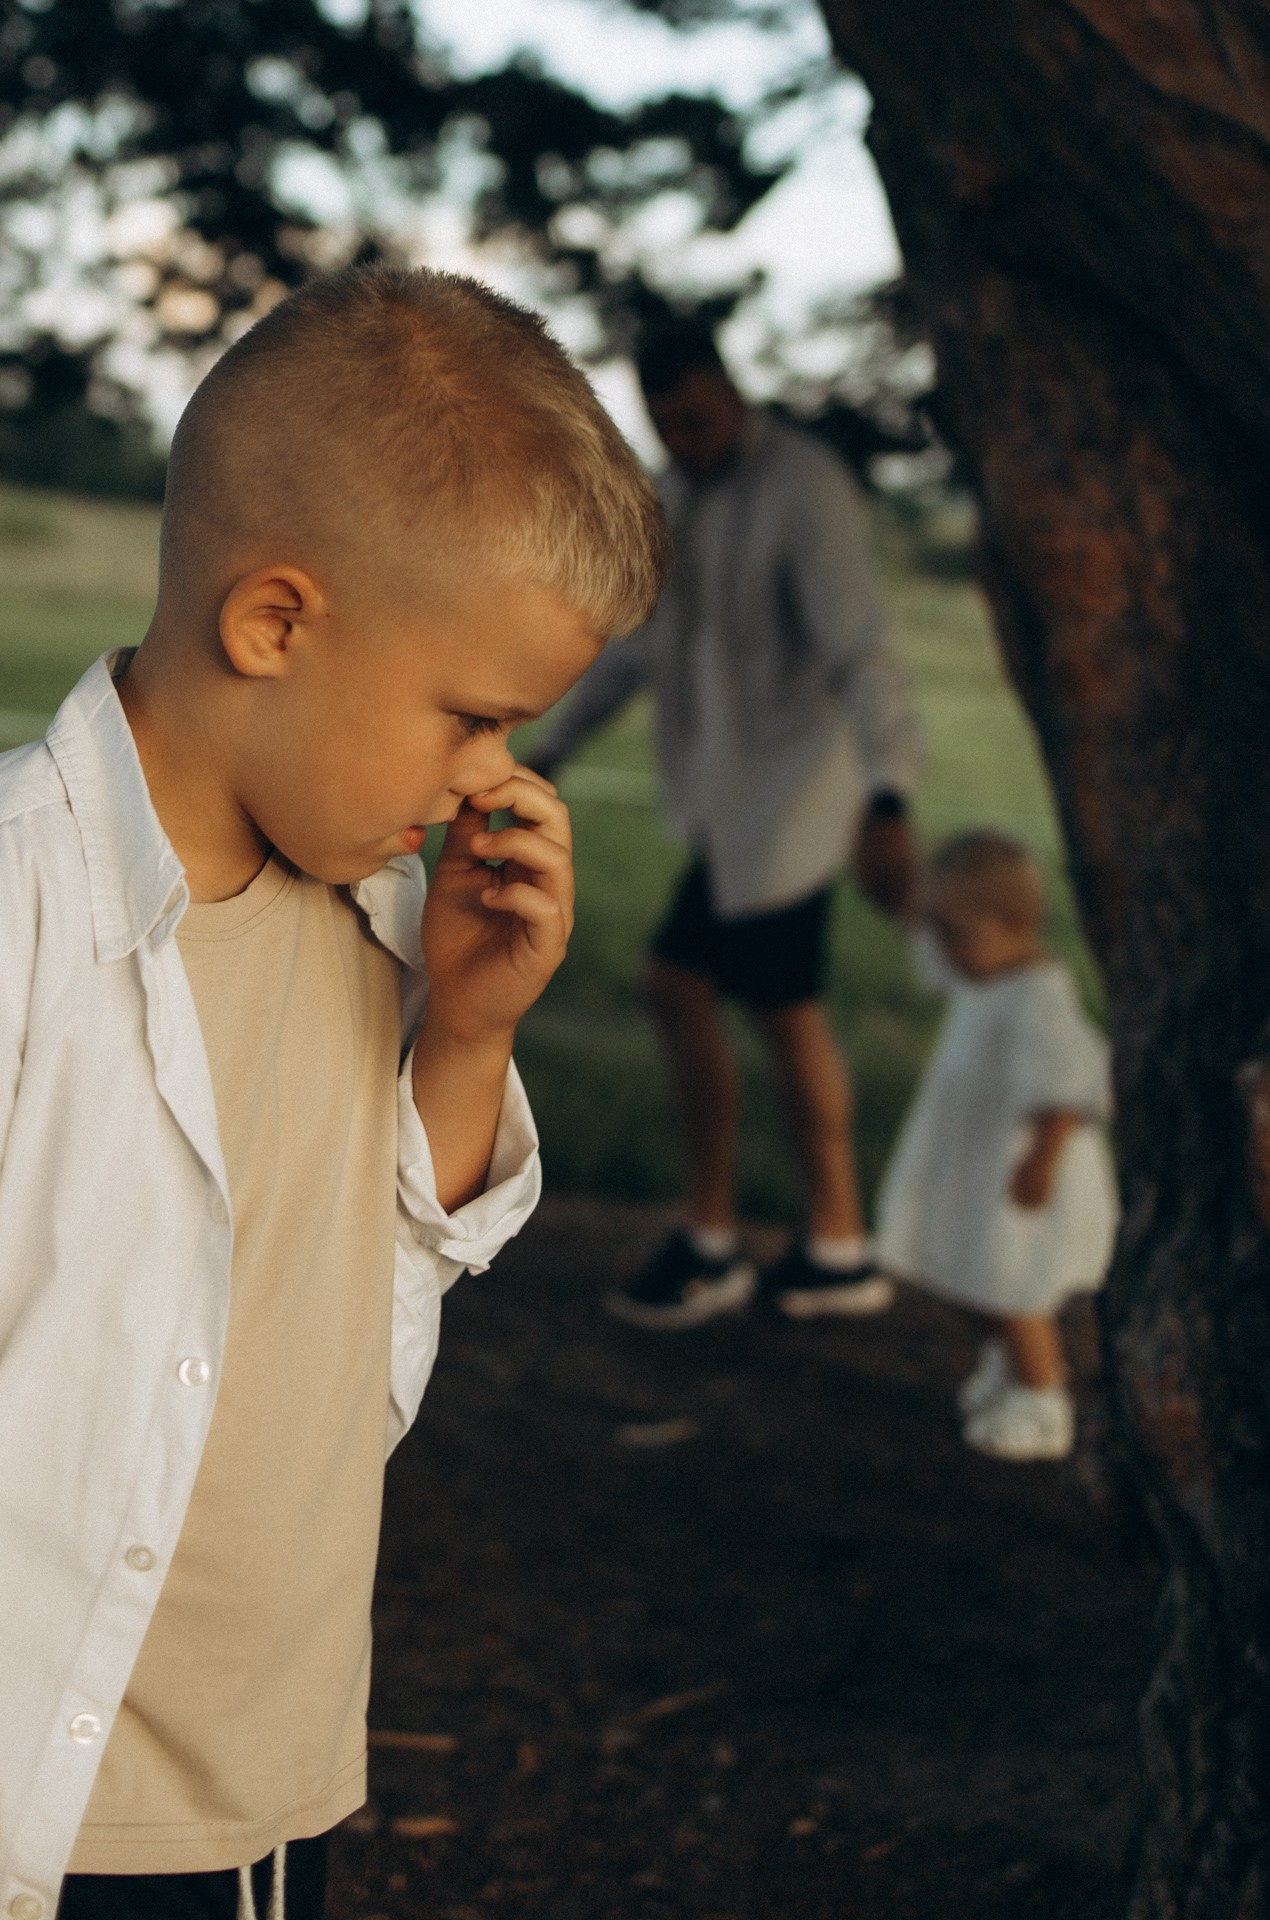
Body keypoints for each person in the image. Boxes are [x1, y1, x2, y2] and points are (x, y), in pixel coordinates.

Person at [0, 265, 666, 1920]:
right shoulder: (24, 908)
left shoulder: (376, 925)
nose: (497, 779)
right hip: (36, 1778)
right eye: (474, 715)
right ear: (275, 622)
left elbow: (357, 1321)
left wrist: (469, 1035)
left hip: (246, 1789)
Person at [530, 318, 924, 1329]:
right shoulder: (676, 496)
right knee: (706, 994)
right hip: (724, 809)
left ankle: (784, 1243)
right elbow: (633, 649)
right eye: (667, 426)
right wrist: (552, 745)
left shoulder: (803, 486)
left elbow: (860, 650)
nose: (685, 439)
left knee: (734, 998)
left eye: (696, 418)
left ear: (726, 387)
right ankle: (809, 1241)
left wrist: (889, 796)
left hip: (796, 803)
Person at [875, 830, 1119, 1462]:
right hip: (972, 1163)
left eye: (955, 936)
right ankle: (1004, 1368)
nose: (945, 953)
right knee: (967, 1272)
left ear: (1014, 923)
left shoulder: (1039, 997)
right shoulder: (979, 973)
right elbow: (923, 940)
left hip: (1020, 1171)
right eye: (940, 934)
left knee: (1012, 1283)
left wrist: (1041, 1161)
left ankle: (1043, 1402)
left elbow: (1066, 1087)